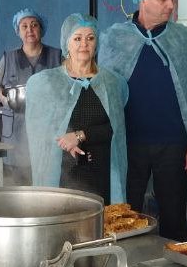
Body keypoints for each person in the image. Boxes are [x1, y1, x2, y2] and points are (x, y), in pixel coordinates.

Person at [99, 0, 187, 241]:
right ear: (143, 0)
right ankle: (124, 263)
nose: (171, 5)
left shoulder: (185, 40)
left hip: (173, 145)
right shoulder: (114, 38)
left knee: (174, 217)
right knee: (124, 215)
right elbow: (105, 95)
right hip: (129, 143)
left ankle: (175, 266)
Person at [25, 14, 128, 204]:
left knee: (102, 219)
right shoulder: (47, 83)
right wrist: (65, 143)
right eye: (77, 38)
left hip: (103, 171)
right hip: (64, 174)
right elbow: (40, 133)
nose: (84, 44)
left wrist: (80, 135)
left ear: (96, 43)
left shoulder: (111, 82)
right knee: (65, 219)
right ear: (67, 43)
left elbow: (116, 129)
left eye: (90, 38)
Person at [0, 8, 63, 185]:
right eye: (24, 26)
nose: (29, 30)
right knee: (20, 187)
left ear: (41, 29)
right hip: (16, 132)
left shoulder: (57, 56)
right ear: (18, 31)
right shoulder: (8, 58)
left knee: (48, 183)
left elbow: (69, 85)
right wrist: (4, 99)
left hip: (48, 130)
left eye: (34, 25)